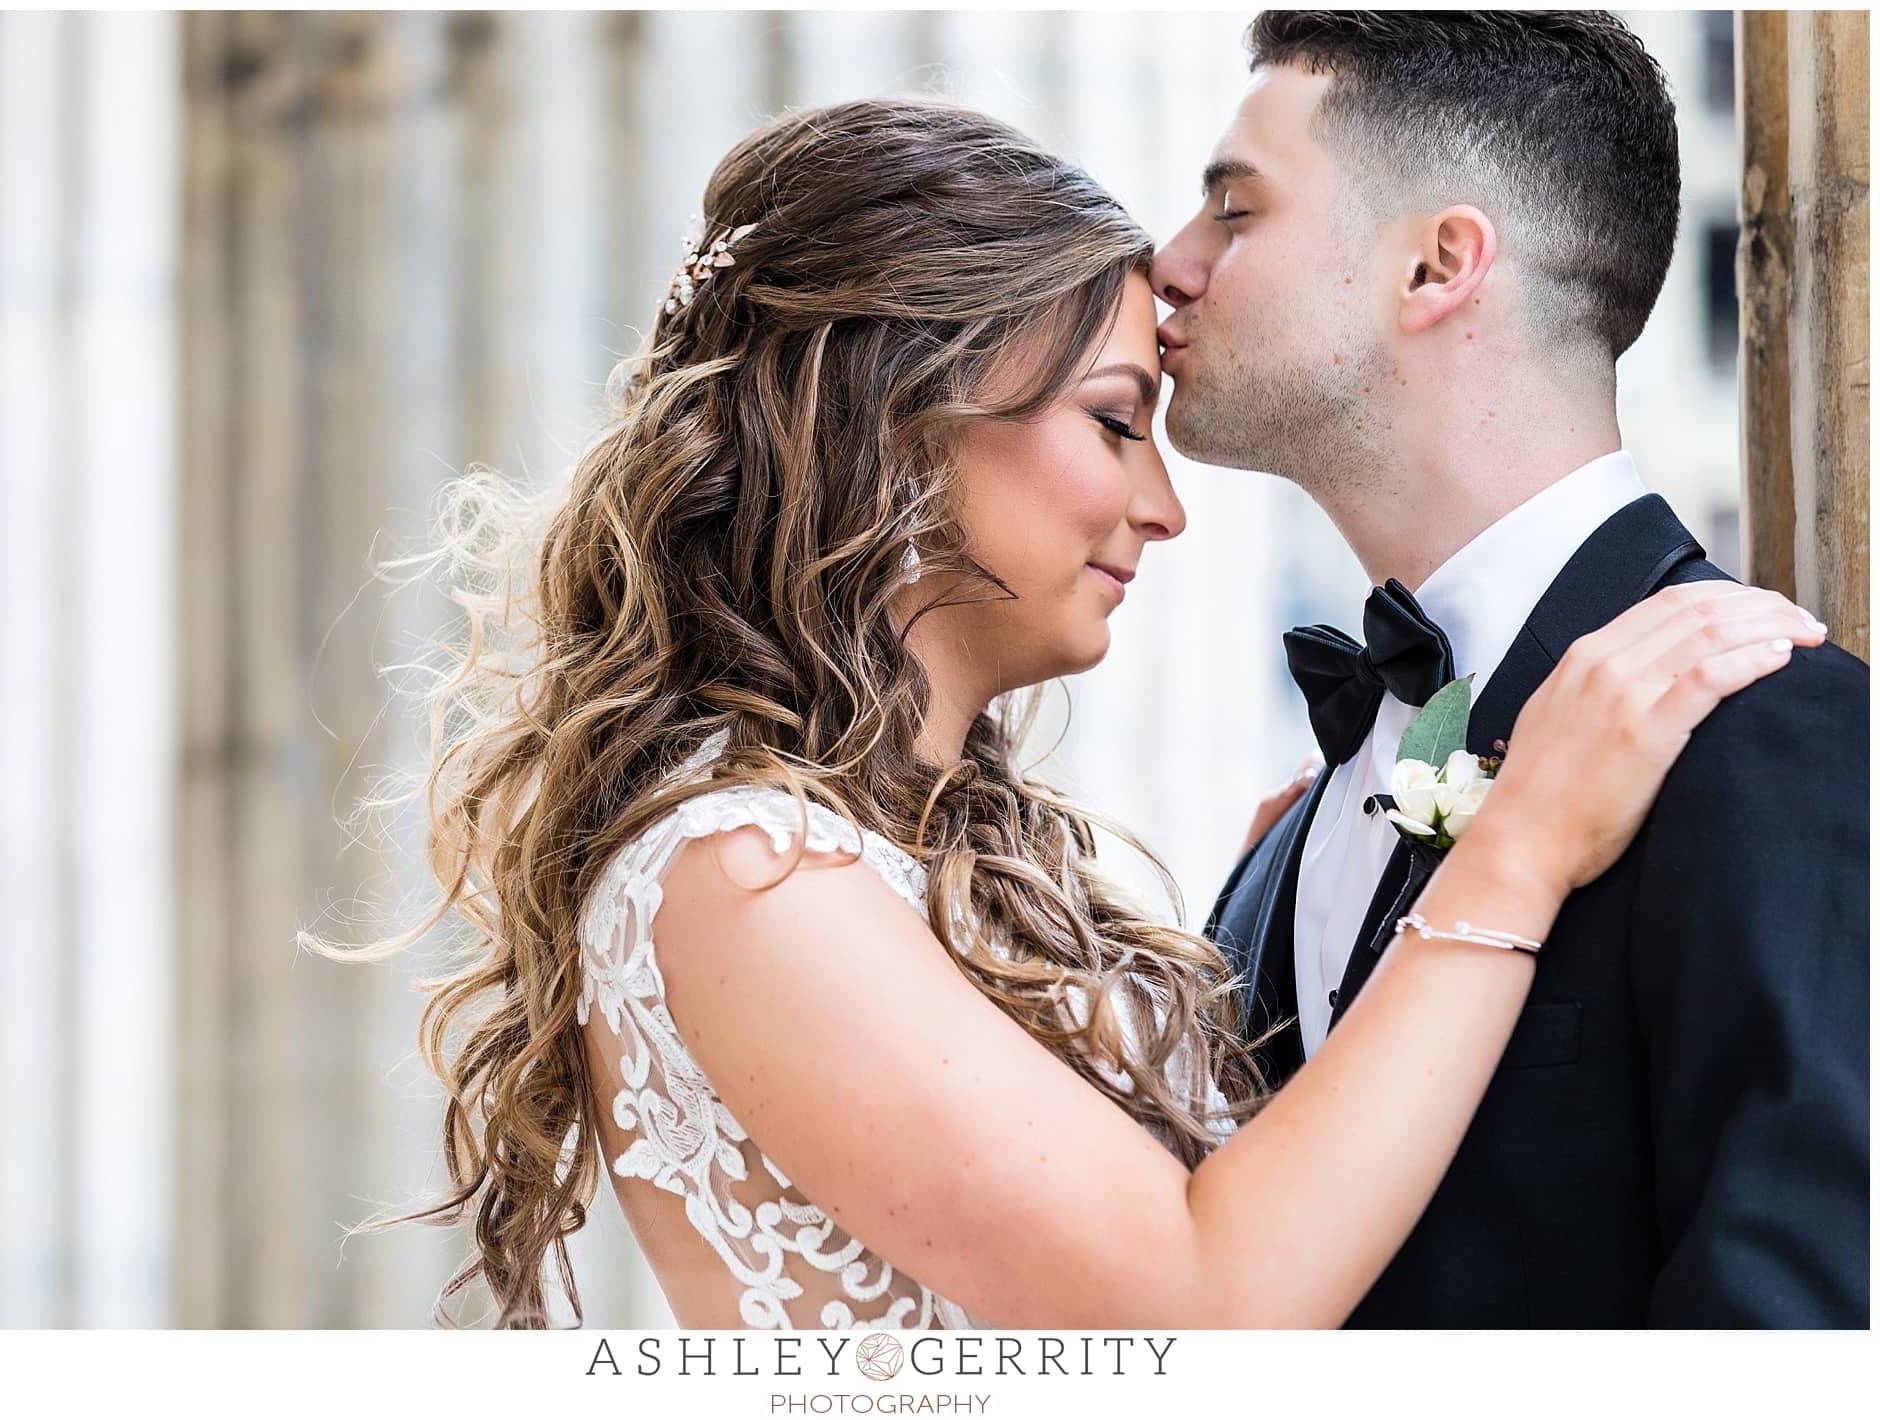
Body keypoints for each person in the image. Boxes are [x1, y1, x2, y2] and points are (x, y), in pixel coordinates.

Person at [322, 96, 1822, 1330]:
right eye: (1114, 424)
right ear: (889, 424)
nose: (1162, 506)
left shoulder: (932, 857)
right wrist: (1514, 855)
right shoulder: (737, 873)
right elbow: (1198, 1304)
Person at [1157, 11, 1869, 1326]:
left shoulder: (1782, 735)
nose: (1169, 264)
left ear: (1437, 267)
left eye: (1232, 209)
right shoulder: (1289, 835)